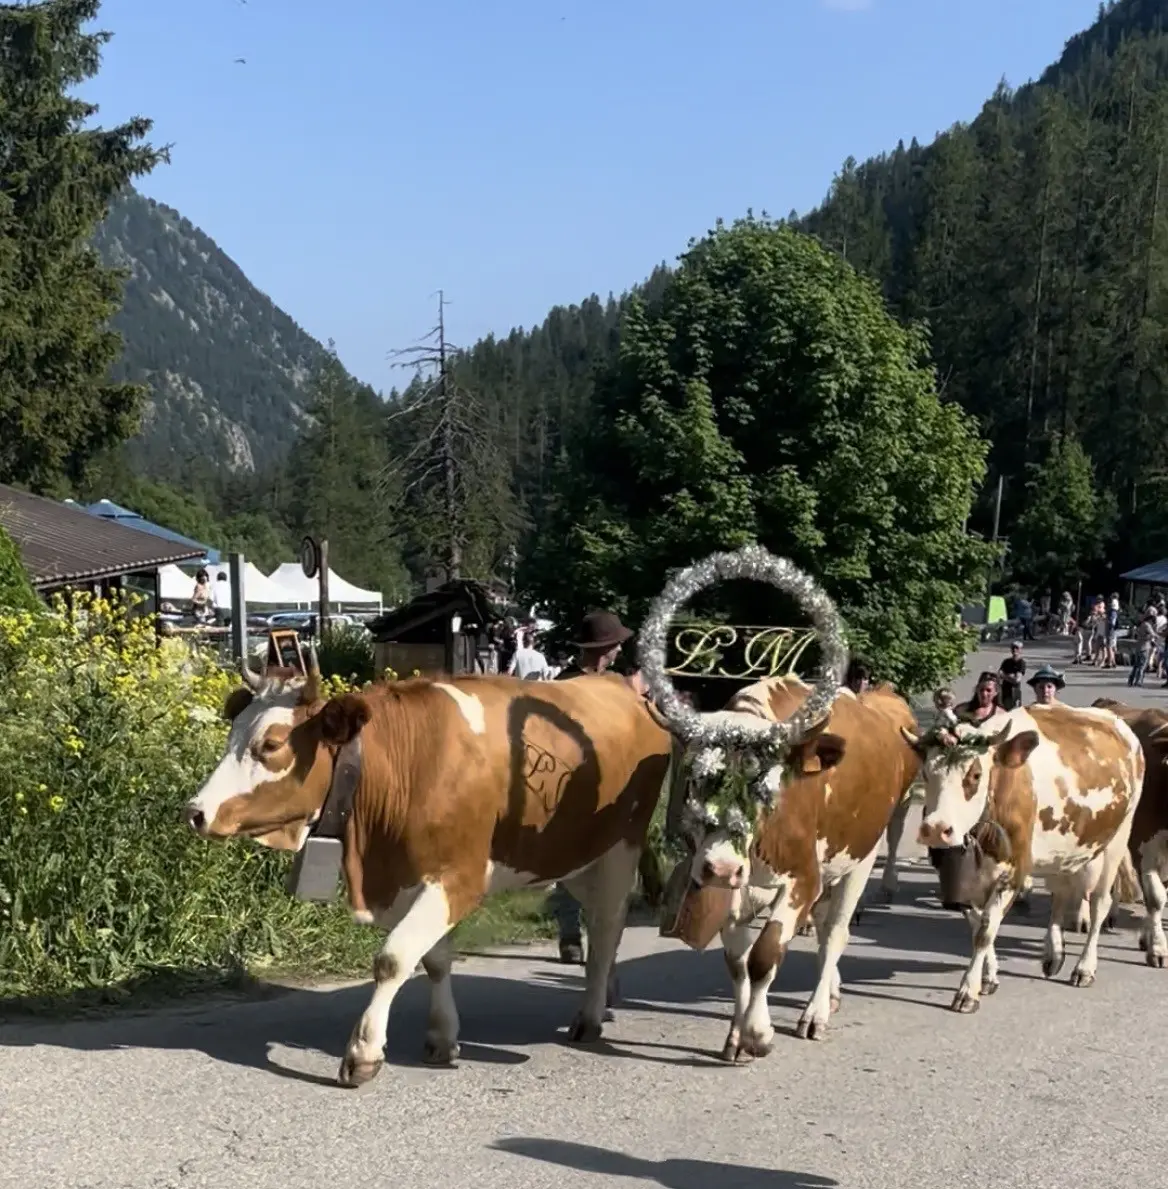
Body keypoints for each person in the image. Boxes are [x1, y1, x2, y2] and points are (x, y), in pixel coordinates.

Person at [550, 609, 642, 964]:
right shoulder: (565, 684)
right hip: (569, 783)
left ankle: (596, 937)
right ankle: (570, 936)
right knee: (565, 864)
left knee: (603, 863)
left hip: (611, 785)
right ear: (607, 647)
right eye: (617, 645)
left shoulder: (616, 685)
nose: (619, 650)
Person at [997, 641, 1026, 710]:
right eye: (1013, 647)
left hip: (1014, 692)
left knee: (1014, 712)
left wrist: (1004, 676)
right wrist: (1010, 676)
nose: (1014, 649)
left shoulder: (1021, 663)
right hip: (1004, 690)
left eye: (1017, 648)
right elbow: (998, 674)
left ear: (1020, 650)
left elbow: (1017, 680)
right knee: (1002, 710)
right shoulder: (1006, 661)